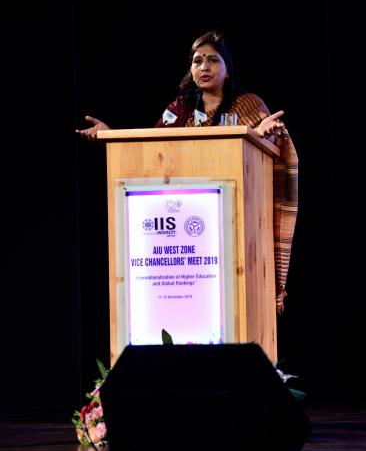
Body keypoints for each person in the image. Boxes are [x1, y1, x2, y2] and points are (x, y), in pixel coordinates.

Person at [76, 31, 298, 312]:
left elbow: (266, 152)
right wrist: (112, 135)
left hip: (235, 217)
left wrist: (260, 134)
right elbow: (151, 147)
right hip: (188, 223)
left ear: (228, 70)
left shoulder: (249, 104)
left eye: (213, 60)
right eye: (197, 61)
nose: (204, 67)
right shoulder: (180, 108)